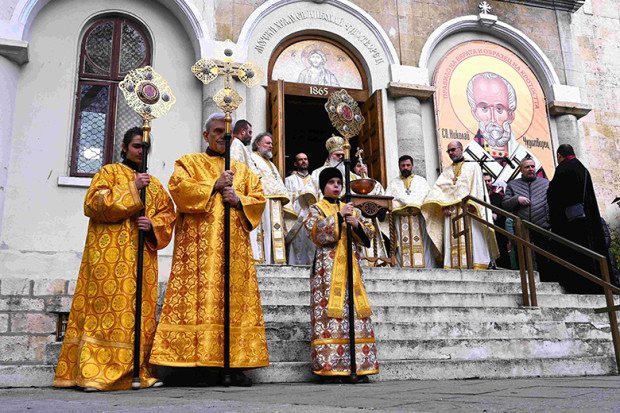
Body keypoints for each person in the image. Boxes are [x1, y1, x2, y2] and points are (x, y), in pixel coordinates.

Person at [149, 113, 268, 387]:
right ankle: (190, 364)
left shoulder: (244, 171)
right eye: (216, 131)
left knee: (232, 304)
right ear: (206, 135)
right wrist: (213, 186)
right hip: (197, 254)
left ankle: (233, 363)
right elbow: (178, 190)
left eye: (227, 133)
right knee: (196, 303)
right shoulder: (188, 163)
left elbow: (259, 199)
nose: (222, 137)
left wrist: (239, 200)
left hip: (233, 253)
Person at [54, 127, 176, 391]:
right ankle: (93, 374)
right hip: (108, 259)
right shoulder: (108, 172)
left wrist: (152, 224)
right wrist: (133, 189)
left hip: (142, 261)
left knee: (138, 315)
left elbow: (168, 215)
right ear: (124, 147)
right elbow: (94, 204)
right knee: (105, 313)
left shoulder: (154, 184)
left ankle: (140, 373)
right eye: (135, 146)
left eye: (144, 148)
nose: (140, 151)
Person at [302, 167, 378, 383]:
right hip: (328, 270)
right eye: (331, 182)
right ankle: (331, 368)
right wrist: (337, 216)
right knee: (331, 317)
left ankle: (359, 366)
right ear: (323, 186)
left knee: (355, 314)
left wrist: (355, 224)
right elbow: (314, 231)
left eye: (338, 182)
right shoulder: (316, 208)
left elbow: (368, 235)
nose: (336, 186)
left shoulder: (352, 209)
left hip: (352, 268)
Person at [422, 140, 498, 269]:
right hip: (451, 213)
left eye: (453, 150)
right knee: (452, 240)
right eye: (449, 151)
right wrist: (443, 207)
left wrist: (473, 204)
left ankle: (476, 263)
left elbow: (478, 187)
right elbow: (439, 190)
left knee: (473, 237)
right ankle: (453, 265)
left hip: (468, 210)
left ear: (461, 149)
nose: (451, 153)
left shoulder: (473, 167)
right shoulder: (446, 171)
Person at [547, 144, 612, 293]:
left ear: (559, 156)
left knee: (574, 253)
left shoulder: (563, 169)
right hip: (587, 220)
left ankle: (576, 284)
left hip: (570, 223)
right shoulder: (583, 169)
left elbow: (555, 198)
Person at [464, 72, 544, 187]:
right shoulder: (467, 158)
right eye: (484, 108)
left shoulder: (528, 160)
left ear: (511, 115)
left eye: (499, 109)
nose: (492, 118)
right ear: (475, 113)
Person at [502, 159, 551, 277]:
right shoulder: (513, 184)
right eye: (527, 167)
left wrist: (551, 225)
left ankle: (547, 281)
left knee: (544, 258)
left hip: (542, 226)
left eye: (532, 166)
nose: (530, 169)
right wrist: (517, 199)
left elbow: (552, 204)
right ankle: (525, 283)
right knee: (522, 258)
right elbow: (505, 204)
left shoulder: (545, 183)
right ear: (521, 170)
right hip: (522, 227)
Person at [385, 155, 435, 268]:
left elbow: (427, 196)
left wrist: (407, 202)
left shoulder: (421, 181)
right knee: (402, 246)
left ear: (412, 166)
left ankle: (426, 267)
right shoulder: (394, 183)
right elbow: (388, 199)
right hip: (400, 218)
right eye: (403, 166)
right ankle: (401, 267)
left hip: (418, 217)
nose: (405, 168)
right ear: (399, 167)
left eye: (408, 165)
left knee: (422, 243)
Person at [249, 132, 291, 264]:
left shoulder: (270, 163)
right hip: (263, 201)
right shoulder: (252, 158)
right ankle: (263, 260)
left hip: (275, 202)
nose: (271, 146)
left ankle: (274, 261)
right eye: (267, 143)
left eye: (272, 144)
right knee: (264, 232)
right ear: (258, 144)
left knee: (275, 233)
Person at [285, 153, 315, 265]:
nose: (303, 161)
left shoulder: (314, 179)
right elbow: (286, 198)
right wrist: (300, 195)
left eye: (305, 159)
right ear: (295, 163)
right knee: (296, 244)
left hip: (312, 215)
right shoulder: (289, 180)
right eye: (300, 159)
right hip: (296, 217)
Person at [483, 172, 510, 269]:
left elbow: (504, 212)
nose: (487, 183)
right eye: (484, 181)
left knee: (502, 252)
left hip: (498, 230)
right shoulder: (478, 197)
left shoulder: (498, 196)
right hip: (483, 230)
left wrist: (497, 216)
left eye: (489, 181)